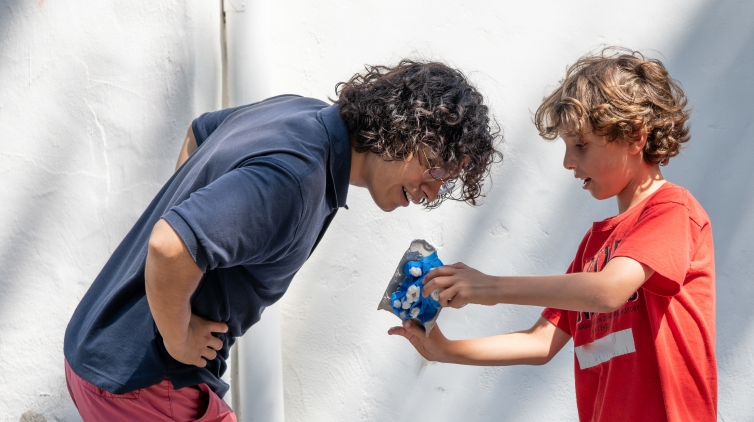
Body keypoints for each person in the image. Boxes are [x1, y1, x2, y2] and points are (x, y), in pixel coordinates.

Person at [64, 59, 502, 421]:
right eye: (438, 172)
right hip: (147, 380)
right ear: (410, 129)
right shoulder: (296, 179)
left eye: (444, 187)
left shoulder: (300, 114)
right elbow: (169, 246)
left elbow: (200, 133)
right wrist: (178, 335)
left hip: (97, 352)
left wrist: (204, 225)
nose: (431, 193)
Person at [390, 48, 716, 422]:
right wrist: (444, 350)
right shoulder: (594, 248)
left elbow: (609, 291)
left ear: (634, 138)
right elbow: (541, 342)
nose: (568, 162)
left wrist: (489, 287)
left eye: (581, 145)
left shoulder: (672, 210)